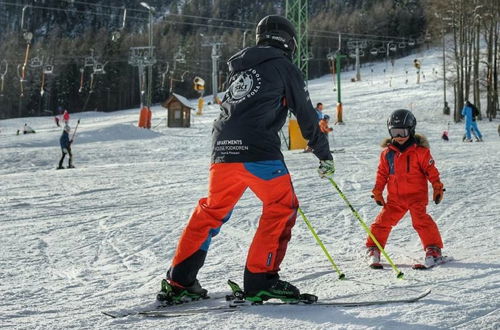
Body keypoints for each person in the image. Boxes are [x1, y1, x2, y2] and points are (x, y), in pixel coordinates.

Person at [158, 15, 334, 305]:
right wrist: (323, 153)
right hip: (258, 151)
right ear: (289, 42)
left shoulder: (239, 67)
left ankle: (179, 281)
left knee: (211, 211)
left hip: (223, 150)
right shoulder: (284, 66)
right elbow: (304, 112)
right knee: (282, 207)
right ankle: (261, 279)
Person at [366, 109, 445, 269]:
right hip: (396, 198)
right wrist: (378, 191)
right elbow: (382, 174)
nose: (400, 137)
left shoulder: (421, 152)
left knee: (421, 221)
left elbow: (432, 171)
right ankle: (374, 248)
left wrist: (437, 187)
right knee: (382, 222)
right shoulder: (387, 154)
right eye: (395, 132)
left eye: (403, 132)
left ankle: (433, 249)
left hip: (416, 197)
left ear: (411, 130)